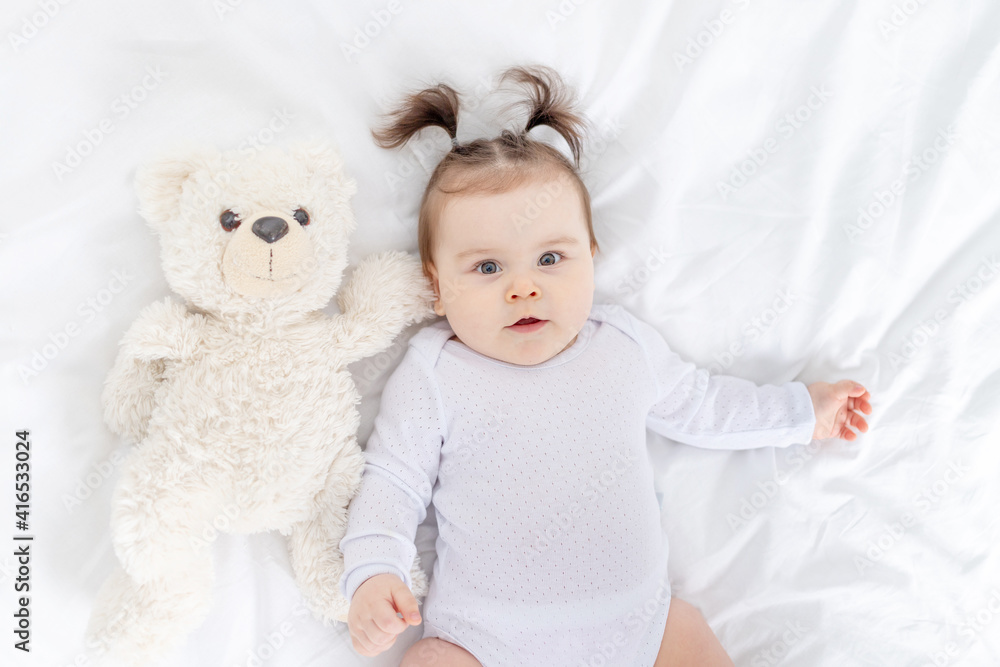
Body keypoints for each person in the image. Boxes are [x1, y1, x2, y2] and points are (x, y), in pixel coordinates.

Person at [338, 65, 872, 666]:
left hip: (637, 628)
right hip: (482, 641)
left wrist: (802, 412)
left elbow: (703, 405)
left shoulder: (621, 348)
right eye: (488, 268)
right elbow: (392, 479)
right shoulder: (437, 372)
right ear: (436, 289)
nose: (523, 289)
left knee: (686, 627)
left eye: (549, 258)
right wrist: (372, 572)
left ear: (589, 259)